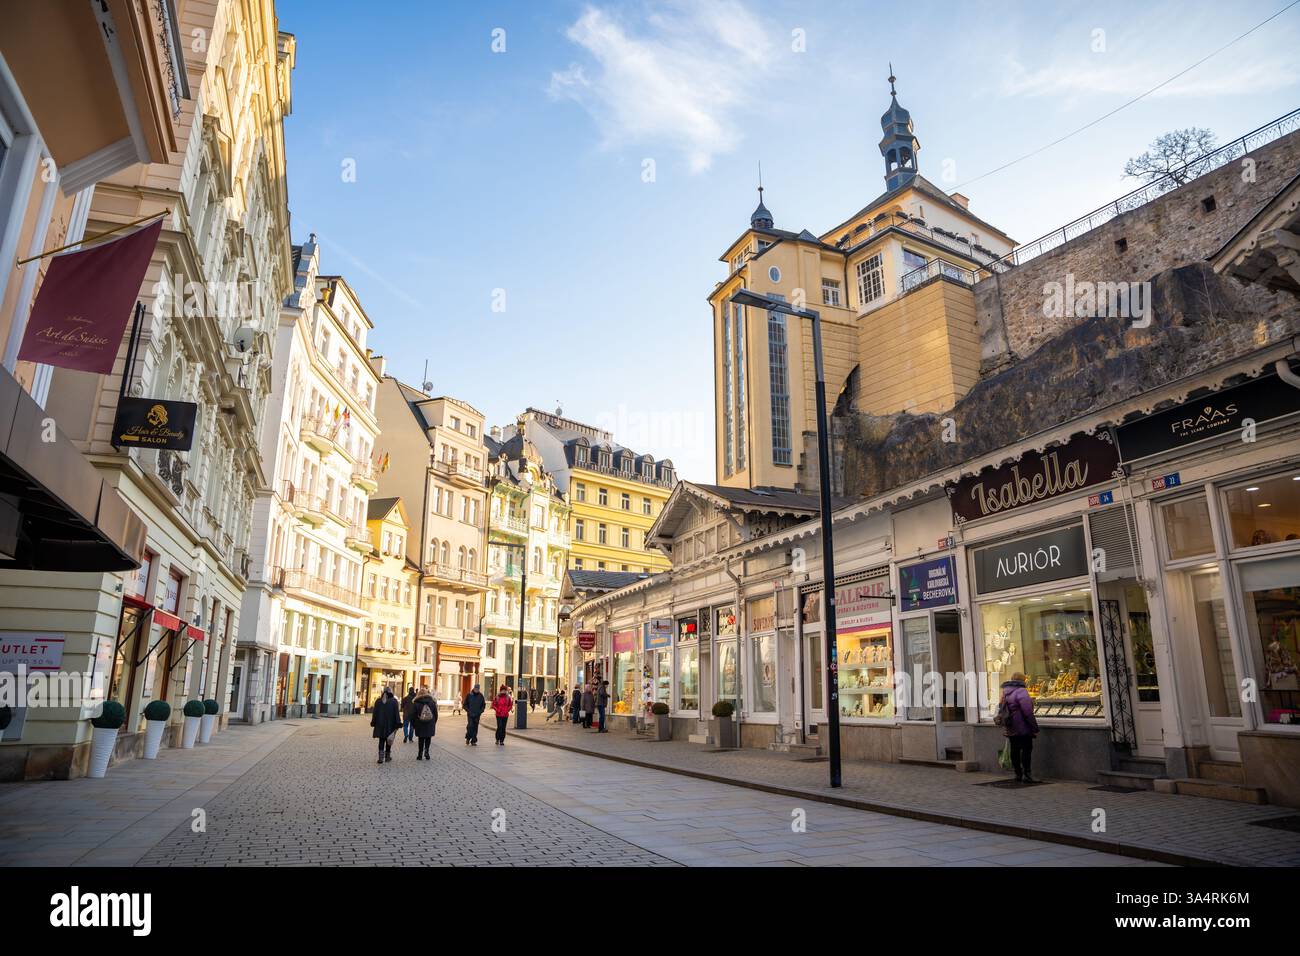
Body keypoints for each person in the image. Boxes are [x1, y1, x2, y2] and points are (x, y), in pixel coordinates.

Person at [999, 672, 1040, 783]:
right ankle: (1027, 775)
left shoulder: (1005, 691)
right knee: (1026, 749)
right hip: (1022, 726)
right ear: (1023, 680)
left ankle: (1018, 773)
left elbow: (1001, 707)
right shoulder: (1021, 691)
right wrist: (1034, 728)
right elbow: (1027, 712)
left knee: (1015, 749)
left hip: (1010, 725)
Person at [370, 686, 401, 764]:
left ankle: (380, 758)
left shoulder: (378, 701)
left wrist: (373, 722)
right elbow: (396, 714)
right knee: (389, 739)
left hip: (380, 724)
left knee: (381, 740)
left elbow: (375, 713)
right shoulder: (394, 701)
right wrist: (398, 723)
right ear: (391, 692)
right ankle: (387, 757)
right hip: (390, 724)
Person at [408, 684, 438, 760]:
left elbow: (412, 715)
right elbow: (436, 714)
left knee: (421, 739)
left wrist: (414, 725)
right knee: (428, 738)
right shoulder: (432, 702)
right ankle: (427, 753)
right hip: (430, 723)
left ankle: (420, 754)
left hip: (419, 724)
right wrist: (433, 723)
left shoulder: (416, 703)